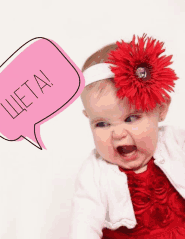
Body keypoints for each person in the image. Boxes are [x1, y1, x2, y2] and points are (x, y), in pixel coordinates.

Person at [69, 35, 185, 239]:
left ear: (161, 108)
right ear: (88, 119)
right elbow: (84, 223)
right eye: (102, 123)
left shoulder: (175, 141)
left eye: (131, 118)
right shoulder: (95, 172)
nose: (119, 133)